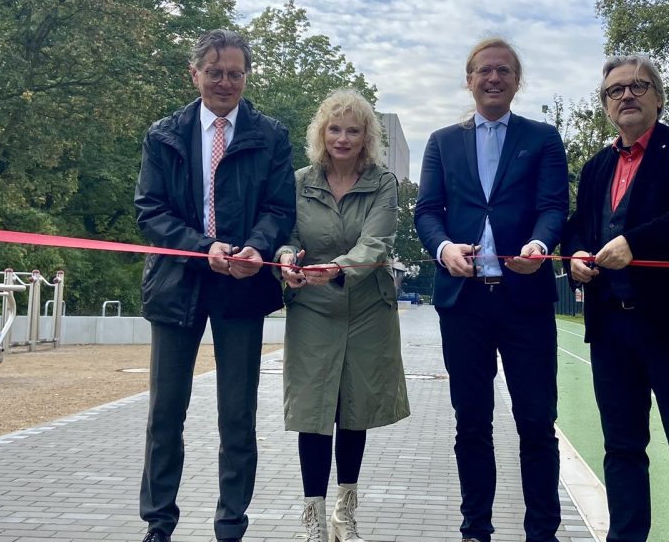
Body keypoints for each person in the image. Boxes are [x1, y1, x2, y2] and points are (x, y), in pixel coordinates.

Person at [134, 29, 296, 542]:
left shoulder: (270, 134)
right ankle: (158, 525)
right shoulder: (164, 134)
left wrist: (257, 247)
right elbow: (149, 212)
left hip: (243, 285)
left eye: (235, 73)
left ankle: (231, 526)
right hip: (178, 283)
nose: (225, 82)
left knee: (238, 416)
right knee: (165, 414)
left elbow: (279, 210)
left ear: (246, 76)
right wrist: (203, 247)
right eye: (215, 72)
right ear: (195, 73)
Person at [562, 55, 669, 542]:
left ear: (658, 97)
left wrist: (636, 243)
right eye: (615, 90)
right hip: (611, 330)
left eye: (638, 86)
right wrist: (573, 252)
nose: (627, 95)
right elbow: (579, 226)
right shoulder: (595, 167)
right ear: (606, 106)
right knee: (621, 449)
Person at [414, 37, 569, 542]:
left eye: (504, 70)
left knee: (536, 424)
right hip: (464, 303)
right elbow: (427, 212)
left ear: (516, 81)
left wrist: (541, 244)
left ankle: (542, 531)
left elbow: (553, 206)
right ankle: (475, 529)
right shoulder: (442, 141)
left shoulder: (543, 138)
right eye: (484, 70)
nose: (494, 78)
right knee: (472, 424)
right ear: (469, 79)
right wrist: (443, 251)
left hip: (525, 300)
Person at [275, 89, 410, 542]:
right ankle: (312, 518)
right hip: (312, 309)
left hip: (368, 307)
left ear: (367, 136)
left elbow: (377, 243)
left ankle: (344, 513)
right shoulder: (298, 181)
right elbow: (286, 235)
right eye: (335, 129)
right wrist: (288, 261)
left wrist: (337, 268)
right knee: (314, 411)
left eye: (354, 130)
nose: (343, 138)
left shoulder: (383, 182)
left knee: (355, 409)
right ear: (321, 133)